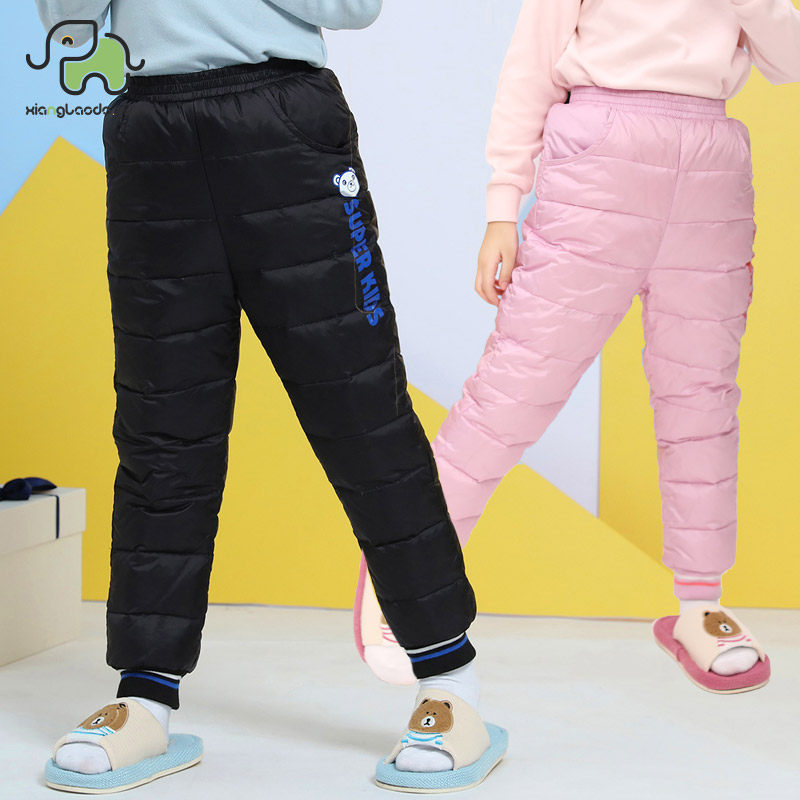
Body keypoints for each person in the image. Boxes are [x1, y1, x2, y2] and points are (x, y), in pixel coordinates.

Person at [33, 1, 505, 793]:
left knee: (361, 412)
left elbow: (353, 7)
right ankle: (144, 696)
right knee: (161, 427)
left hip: (284, 127)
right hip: (153, 133)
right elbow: (68, 18)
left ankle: (450, 682)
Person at [356, 0, 800, 694]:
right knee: (516, 389)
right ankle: (404, 572)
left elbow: (790, 57)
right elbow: (530, 68)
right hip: (600, 159)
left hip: (711, 169)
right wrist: (503, 207)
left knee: (702, 397)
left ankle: (700, 603)